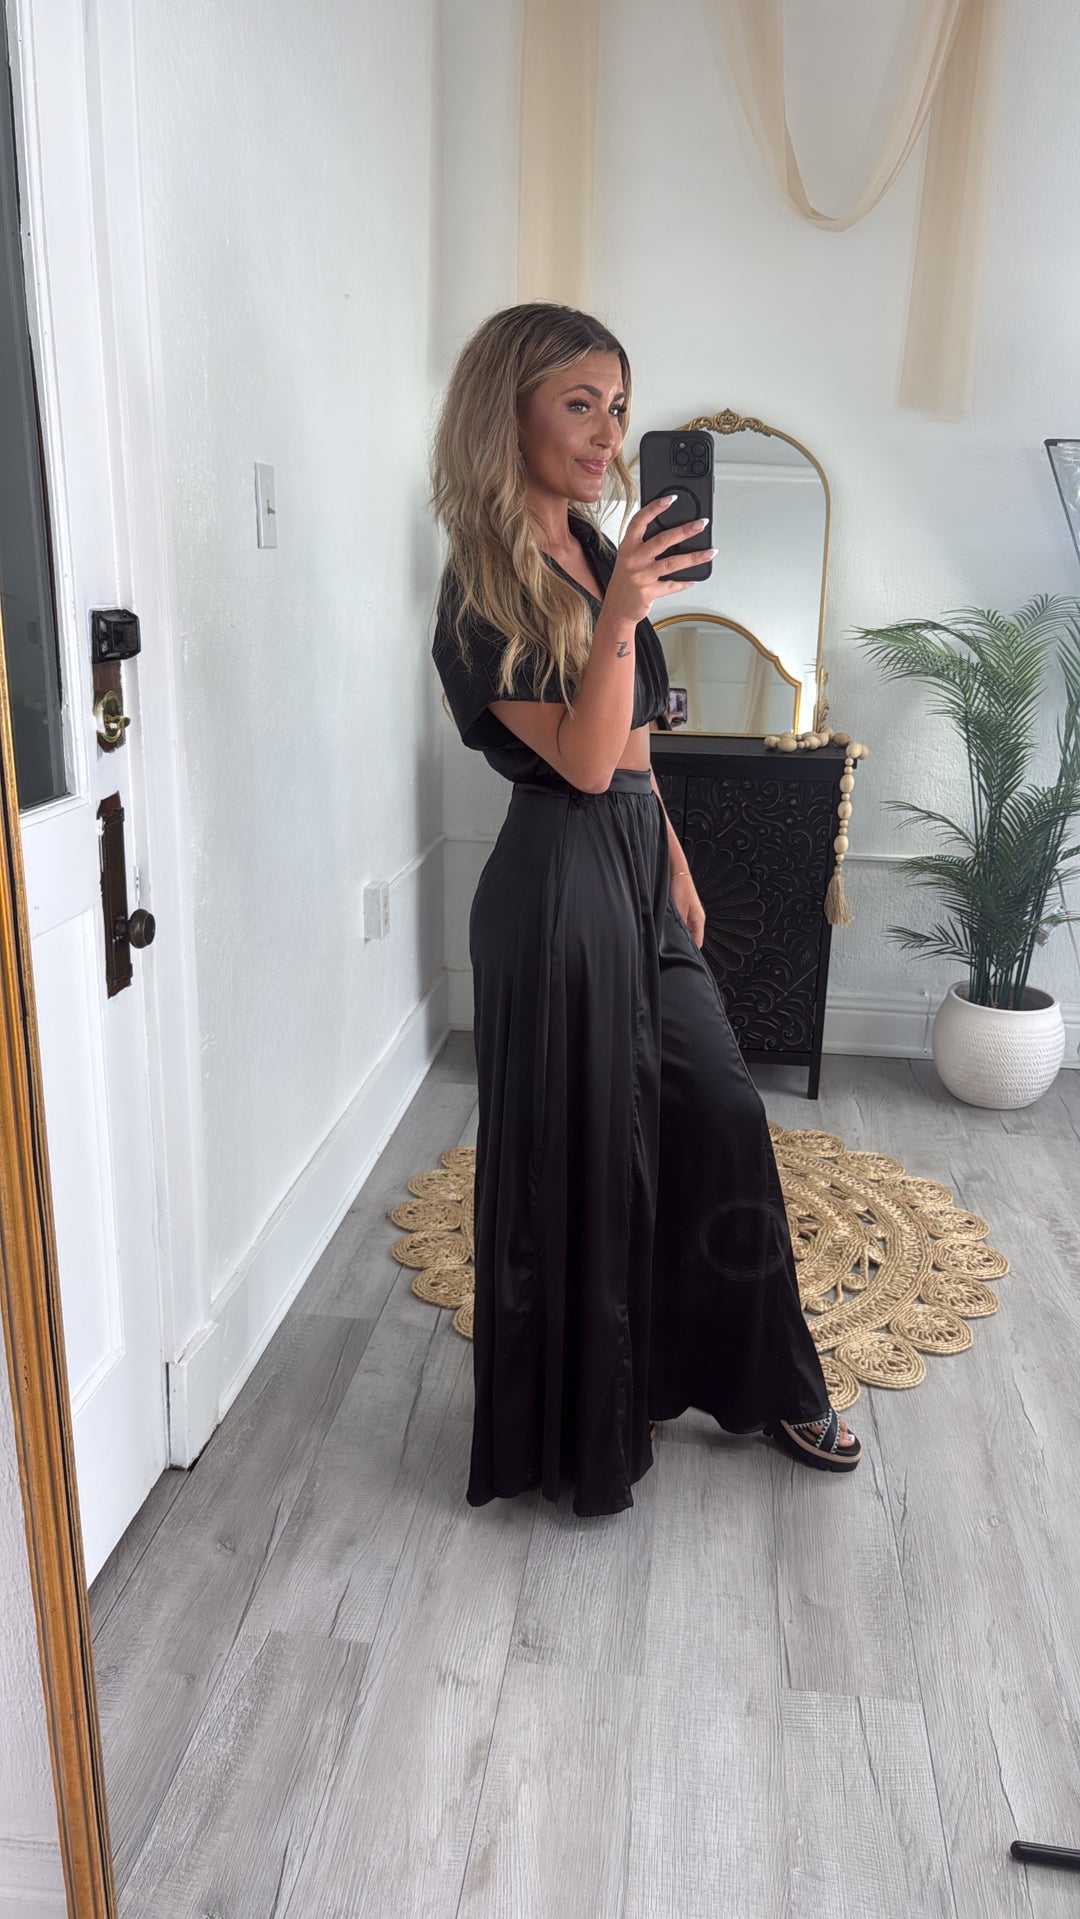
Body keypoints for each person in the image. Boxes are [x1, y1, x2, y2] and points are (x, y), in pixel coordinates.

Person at [428, 302, 860, 1519]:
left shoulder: (596, 542)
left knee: (721, 1106)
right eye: (580, 404)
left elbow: (633, 749)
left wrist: (672, 854)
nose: (607, 433)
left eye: (617, 408)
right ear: (505, 411)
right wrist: (620, 610)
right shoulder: (478, 589)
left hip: (629, 862)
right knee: (583, 1159)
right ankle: (594, 1415)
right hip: (557, 883)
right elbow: (577, 761)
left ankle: (758, 1378)